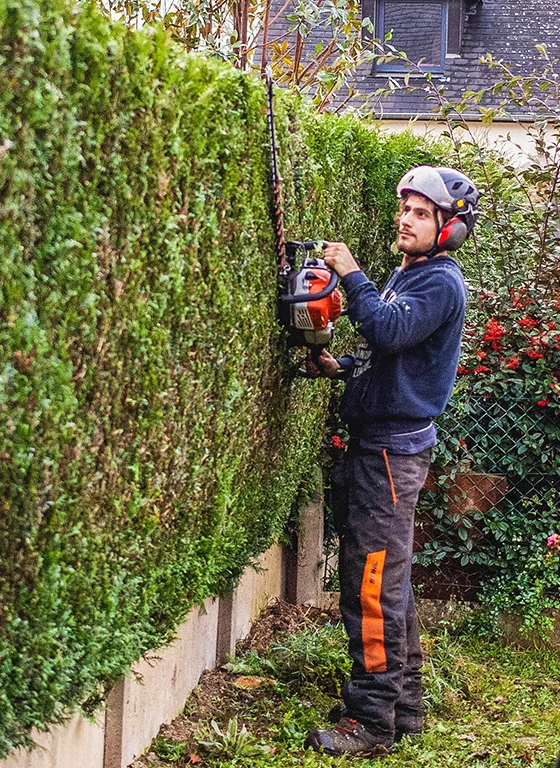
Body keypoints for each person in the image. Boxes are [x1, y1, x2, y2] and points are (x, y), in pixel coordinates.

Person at [302, 166, 481, 757]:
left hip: (391, 455)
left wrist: (350, 274)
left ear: (449, 228)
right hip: (382, 446)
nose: (406, 218)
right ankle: (403, 708)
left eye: (422, 212)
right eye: (404, 208)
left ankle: (372, 722)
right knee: (391, 582)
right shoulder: (415, 273)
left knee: (372, 584)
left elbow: (384, 327)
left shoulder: (440, 284)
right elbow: (393, 352)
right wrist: (345, 368)